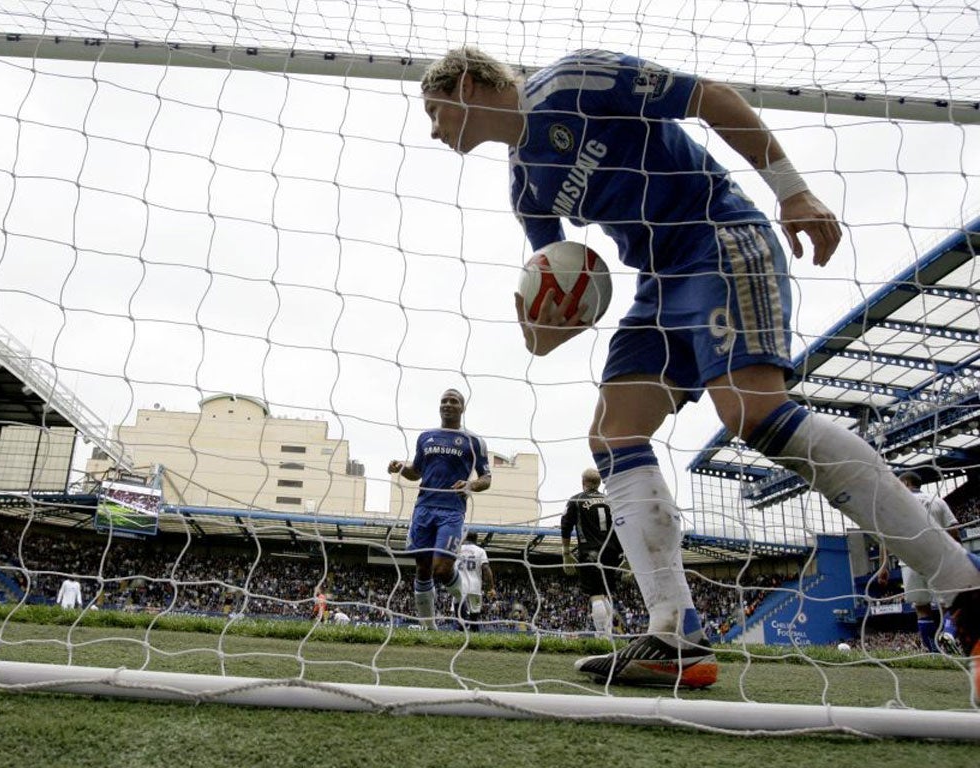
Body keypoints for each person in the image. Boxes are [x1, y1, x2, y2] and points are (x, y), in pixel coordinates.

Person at [420, 47, 980, 692]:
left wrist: (792, 190)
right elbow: (557, 291)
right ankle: (675, 634)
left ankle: (965, 587)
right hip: (659, 285)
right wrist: (539, 329)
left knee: (750, 412)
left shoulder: (575, 79)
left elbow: (709, 96)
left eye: (435, 112)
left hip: (719, 237)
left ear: (466, 84)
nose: (435, 131)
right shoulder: (526, 185)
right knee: (613, 435)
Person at [388, 388, 492, 629]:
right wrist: (400, 468)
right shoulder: (426, 437)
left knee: (442, 568)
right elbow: (416, 472)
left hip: (452, 511)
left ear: (462, 408)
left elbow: (486, 479)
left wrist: (470, 484)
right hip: (424, 507)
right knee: (422, 568)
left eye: (453, 401)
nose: (448, 404)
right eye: (444, 400)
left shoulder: (473, 441)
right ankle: (428, 627)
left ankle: (464, 601)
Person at [877, 471, 963, 654]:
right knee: (947, 604)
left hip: (909, 561)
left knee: (921, 608)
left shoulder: (895, 504)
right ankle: (948, 633)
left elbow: (885, 537)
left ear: (906, 483)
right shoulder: (937, 501)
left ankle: (934, 653)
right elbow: (954, 531)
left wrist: (883, 566)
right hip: (937, 560)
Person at [561, 468, 623, 640]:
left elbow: (565, 526)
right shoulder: (611, 500)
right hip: (612, 552)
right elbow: (622, 525)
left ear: (583, 482)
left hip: (590, 552)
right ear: (599, 482)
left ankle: (601, 636)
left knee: (595, 595)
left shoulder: (577, 500)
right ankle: (608, 635)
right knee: (606, 594)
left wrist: (566, 552)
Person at [454, 530, 497, 631]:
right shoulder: (480, 551)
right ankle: (472, 628)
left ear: (465, 538)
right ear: (476, 539)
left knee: (457, 604)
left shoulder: (457, 549)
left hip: (459, 584)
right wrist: (491, 588)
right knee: (475, 612)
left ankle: (463, 625)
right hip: (475, 586)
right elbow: (486, 569)